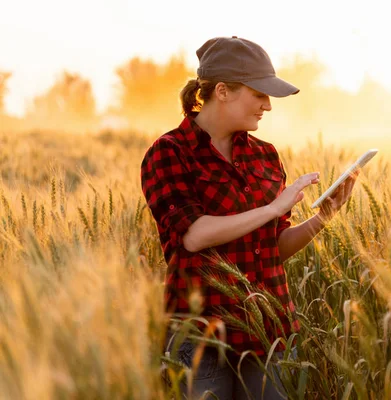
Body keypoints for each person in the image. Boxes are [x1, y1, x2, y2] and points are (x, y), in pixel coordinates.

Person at [140, 36, 358, 399]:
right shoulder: (169, 153)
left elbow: (274, 247)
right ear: (222, 91)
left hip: (268, 333)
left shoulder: (265, 156)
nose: (267, 106)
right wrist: (272, 209)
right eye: (259, 94)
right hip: (202, 338)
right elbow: (194, 235)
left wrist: (324, 217)